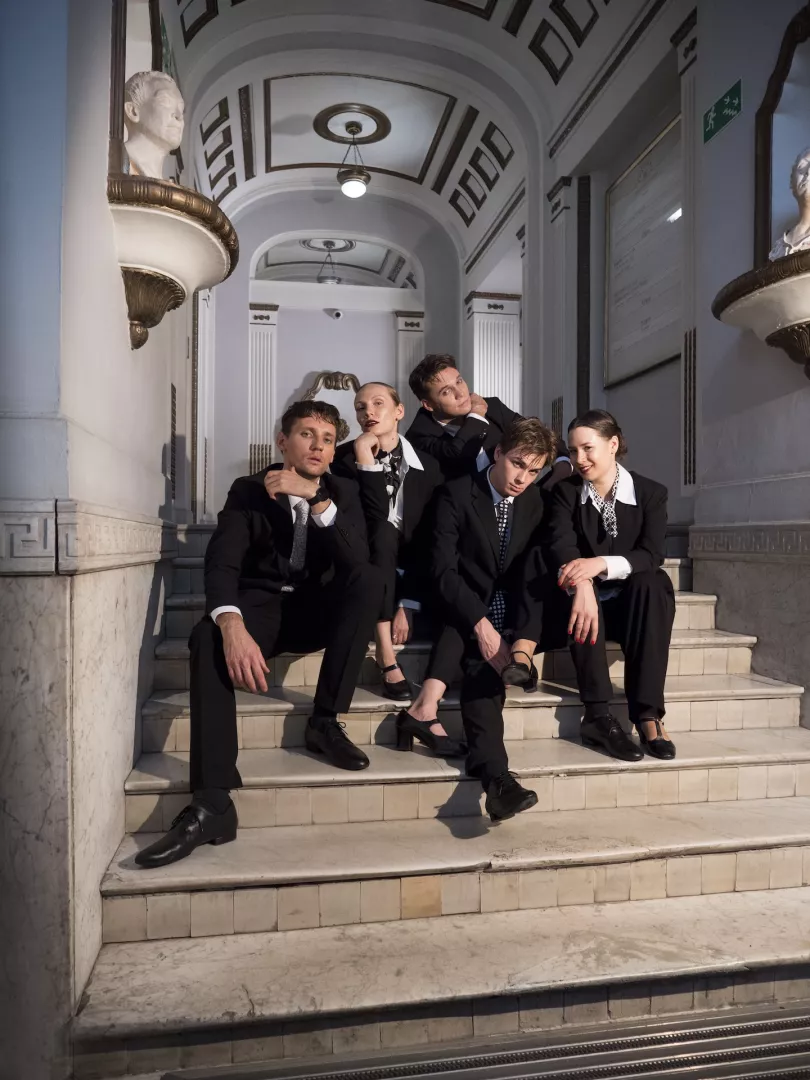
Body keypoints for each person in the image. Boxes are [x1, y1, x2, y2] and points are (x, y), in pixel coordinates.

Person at [135, 401, 383, 868]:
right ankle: (213, 803)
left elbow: (356, 563)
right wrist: (230, 624)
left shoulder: (343, 491)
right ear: (282, 442)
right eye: (306, 435)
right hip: (262, 610)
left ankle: (325, 721)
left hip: (314, 612)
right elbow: (222, 563)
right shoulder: (248, 490)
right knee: (206, 637)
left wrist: (315, 497)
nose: (318, 446)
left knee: (370, 579)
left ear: (334, 452)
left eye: (328, 440)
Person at [509, 410, 676, 762]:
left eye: (588, 448)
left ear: (613, 444)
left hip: (631, 611)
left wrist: (599, 564)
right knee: (579, 594)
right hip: (579, 608)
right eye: (573, 451)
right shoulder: (566, 492)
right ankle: (598, 715)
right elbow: (561, 543)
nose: (580, 459)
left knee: (654, 582)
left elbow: (651, 554)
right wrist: (582, 584)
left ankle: (648, 714)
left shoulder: (651, 493)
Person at [421, 417, 558, 822]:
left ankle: (521, 658)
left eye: (534, 471)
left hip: (515, 613)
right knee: (483, 673)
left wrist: (521, 636)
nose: (523, 478)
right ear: (498, 453)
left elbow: (534, 574)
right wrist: (482, 626)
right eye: (517, 464)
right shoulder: (455, 494)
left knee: (539, 574)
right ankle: (499, 781)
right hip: (463, 609)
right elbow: (443, 573)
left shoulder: (536, 502)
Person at [331, 383, 463, 755]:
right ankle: (386, 653)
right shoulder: (342, 461)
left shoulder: (430, 467)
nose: (368, 412)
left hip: (414, 571)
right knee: (383, 532)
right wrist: (365, 462)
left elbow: (432, 541)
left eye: (377, 404)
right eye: (360, 407)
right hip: (359, 562)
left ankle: (405, 668)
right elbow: (365, 521)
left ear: (400, 411)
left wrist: (408, 603)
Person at [123, 71, 185, 180]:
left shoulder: (164, 184)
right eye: (165, 101)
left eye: (181, 108)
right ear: (133, 111)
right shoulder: (110, 165)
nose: (179, 116)